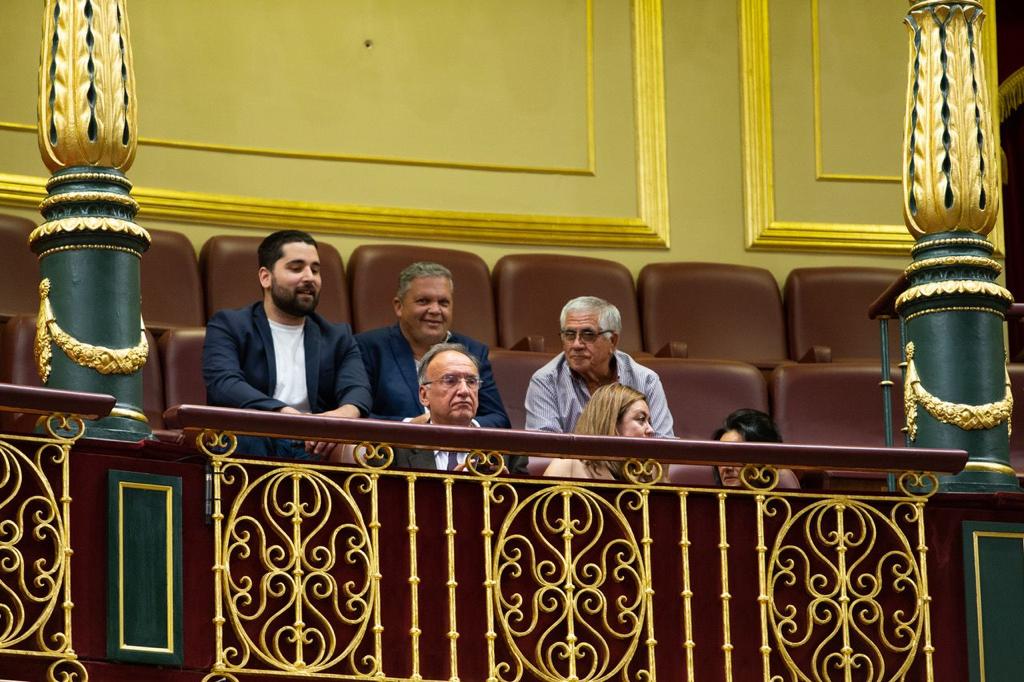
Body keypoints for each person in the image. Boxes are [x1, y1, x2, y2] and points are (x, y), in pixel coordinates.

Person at [203, 230, 371, 459]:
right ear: (266, 277)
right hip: (254, 435)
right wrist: (282, 413)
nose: (309, 277)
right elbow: (224, 383)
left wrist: (341, 416)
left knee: (363, 451)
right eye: (296, 268)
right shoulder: (230, 325)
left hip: (314, 443)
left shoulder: (337, 336)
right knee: (245, 439)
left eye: (315, 269)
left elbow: (358, 390)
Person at [356, 262, 510, 428]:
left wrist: (465, 424)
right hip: (391, 450)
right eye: (424, 301)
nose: (435, 310)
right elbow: (358, 415)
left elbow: (499, 420)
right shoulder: (368, 348)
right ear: (399, 306)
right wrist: (410, 425)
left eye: (443, 303)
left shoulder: (472, 352)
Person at [524, 296, 674, 436]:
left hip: (633, 464)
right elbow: (544, 452)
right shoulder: (545, 381)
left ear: (613, 341)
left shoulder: (646, 380)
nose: (576, 344)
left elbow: (664, 448)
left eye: (588, 335)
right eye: (569, 334)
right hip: (571, 465)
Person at [387, 343, 528, 473]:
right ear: (424, 395)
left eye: (471, 382)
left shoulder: (508, 452)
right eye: (450, 380)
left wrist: (504, 488)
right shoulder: (393, 450)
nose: (464, 391)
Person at [544, 384, 654, 480]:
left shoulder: (648, 472)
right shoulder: (567, 466)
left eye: (649, 422)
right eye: (641, 419)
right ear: (612, 423)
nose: (651, 430)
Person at [712, 409, 786, 487]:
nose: (727, 467)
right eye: (722, 457)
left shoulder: (781, 498)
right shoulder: (709, 498)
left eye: (737, 456)